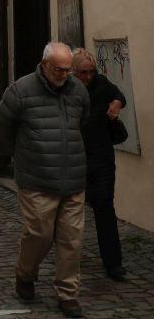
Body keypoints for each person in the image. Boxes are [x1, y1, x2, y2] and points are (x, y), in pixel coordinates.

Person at [0, 42, 90, 319]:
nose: (64, 74)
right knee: (39, 233)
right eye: (59, 69)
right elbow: (4, 127)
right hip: (36, 178)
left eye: (68, 69)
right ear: (45, 64)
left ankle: (68, 293)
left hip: (73, 177)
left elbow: (82, 123)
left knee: (72, 239)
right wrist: (17, 157)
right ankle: (25, 274)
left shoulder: (78, 91)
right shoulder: (20, 91)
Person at [72, 48, 126, 280]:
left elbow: (119, 95)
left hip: (102, 157)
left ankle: (113, 263)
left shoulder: (101, 84)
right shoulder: (68, 89)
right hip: (75, 158)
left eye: (91, 72)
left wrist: (116, 104)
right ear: (74, 72)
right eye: (83, 72)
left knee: (105, 208)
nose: (88, 76)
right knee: (70, 210)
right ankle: (67, 259)